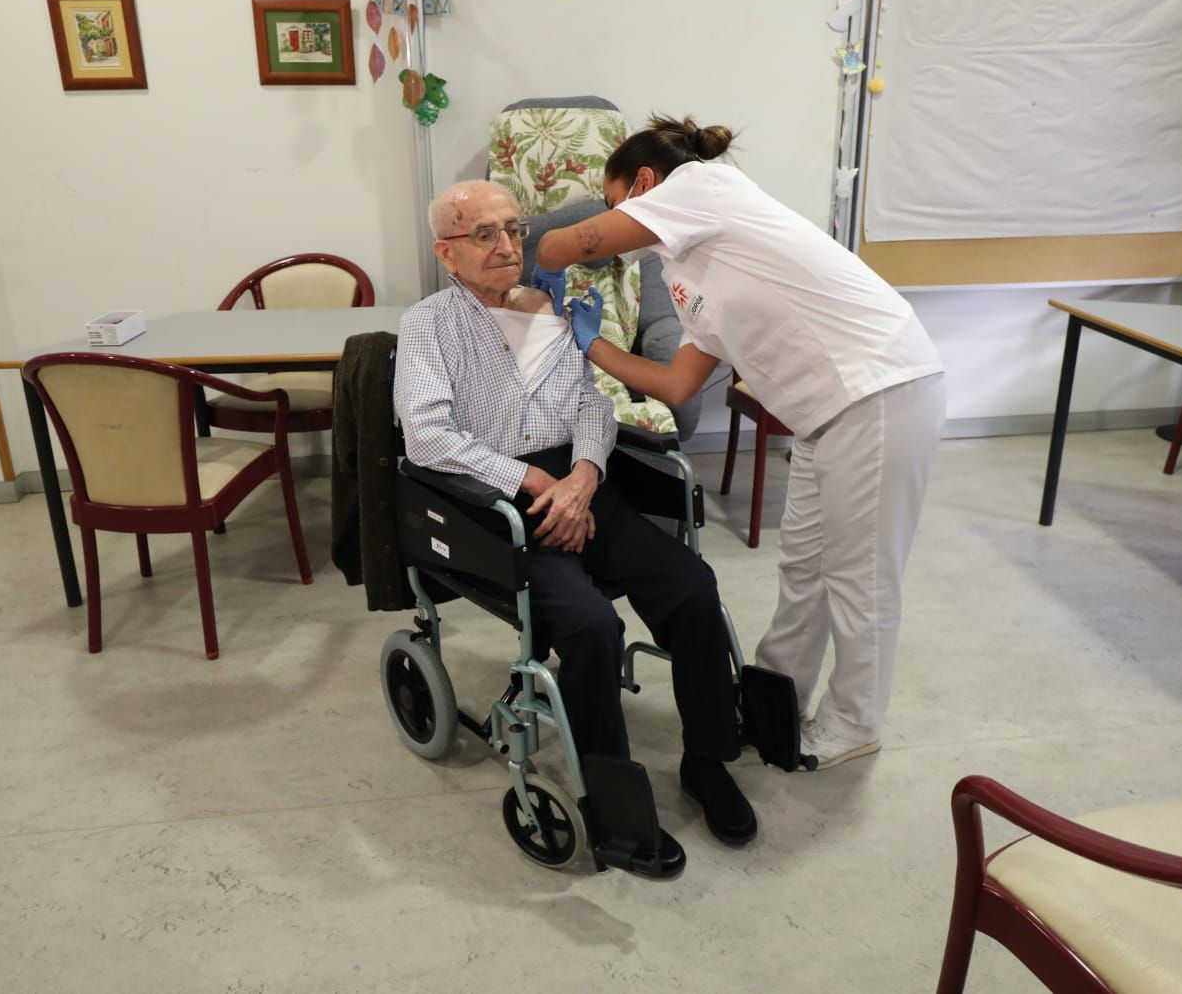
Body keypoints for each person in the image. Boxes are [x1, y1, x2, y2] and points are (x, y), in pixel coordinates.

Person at [533, 116, 946, 770]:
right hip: (824, 411)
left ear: (644, 182)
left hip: (879, 388)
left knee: (860, 577)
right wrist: (592, 344)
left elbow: (564, 246)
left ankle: (853, 722)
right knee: (804, 567)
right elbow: (675, 384)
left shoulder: (702, 187)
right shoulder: (691, 263)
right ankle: (774, 699)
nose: (618, 226)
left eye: (616, 203)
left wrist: (549, 258)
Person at [394, 179, 757, 865]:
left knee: (691, 585)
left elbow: (590, 403)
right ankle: (610, 798)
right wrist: (535, 483)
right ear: (447, 253)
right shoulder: (428, 326)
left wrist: (584, 480)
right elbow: (428, 438)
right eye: (484, 235)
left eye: (514, 229)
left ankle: (707, 761)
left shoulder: (551, 307)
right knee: (592, 627)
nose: (507, 246)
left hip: (580, 482)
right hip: (493, 501)